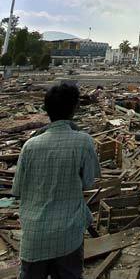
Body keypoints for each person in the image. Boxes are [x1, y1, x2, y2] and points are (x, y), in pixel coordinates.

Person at [12, 82, 99, 279]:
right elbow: (88, 184)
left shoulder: (30, 146)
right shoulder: (83, 141)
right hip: (67, 236)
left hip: (34, 238)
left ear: (47, 109)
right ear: (75, 108)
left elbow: (17, 190)